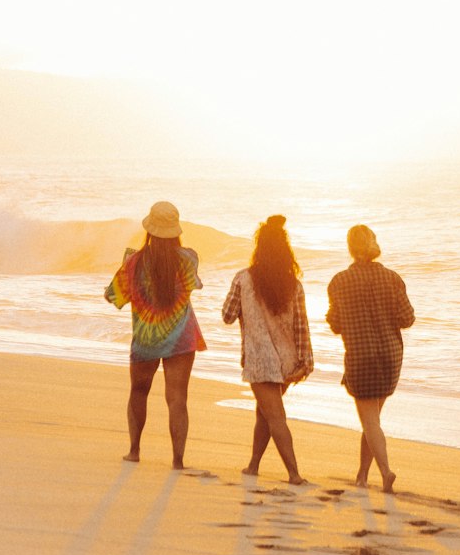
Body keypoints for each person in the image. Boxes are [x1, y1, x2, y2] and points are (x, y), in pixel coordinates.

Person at [104, 200, 206, 469]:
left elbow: (112, 296)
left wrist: (129, 271)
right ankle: (177, 460)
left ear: (149, 229)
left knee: (139, 391)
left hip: (146, 338)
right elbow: (193, 284)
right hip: (181, 338)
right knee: (177, 398)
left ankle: (134, 451)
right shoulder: (189, 258)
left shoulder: (134, 261)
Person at [222, 214, 313, 485]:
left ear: (258, 248)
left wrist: (246, 311)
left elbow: (227, 315)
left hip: (260, 360)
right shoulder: (293, 285)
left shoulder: (243, 279)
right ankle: (253, 465)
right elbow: (301, 327)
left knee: (274, 415)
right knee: (265, 413)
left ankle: (294, 474)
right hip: (287, 360)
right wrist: (305, 361)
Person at [326, 224, 414, 493]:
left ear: (350, 248)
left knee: (370, 421)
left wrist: (338, 317)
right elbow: (407, 318)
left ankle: (385, 472)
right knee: (372, 419)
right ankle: (362, 476)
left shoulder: (339, 282)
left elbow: (336, 324)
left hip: (361, 355)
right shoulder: (393, 278)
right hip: (391, 355)